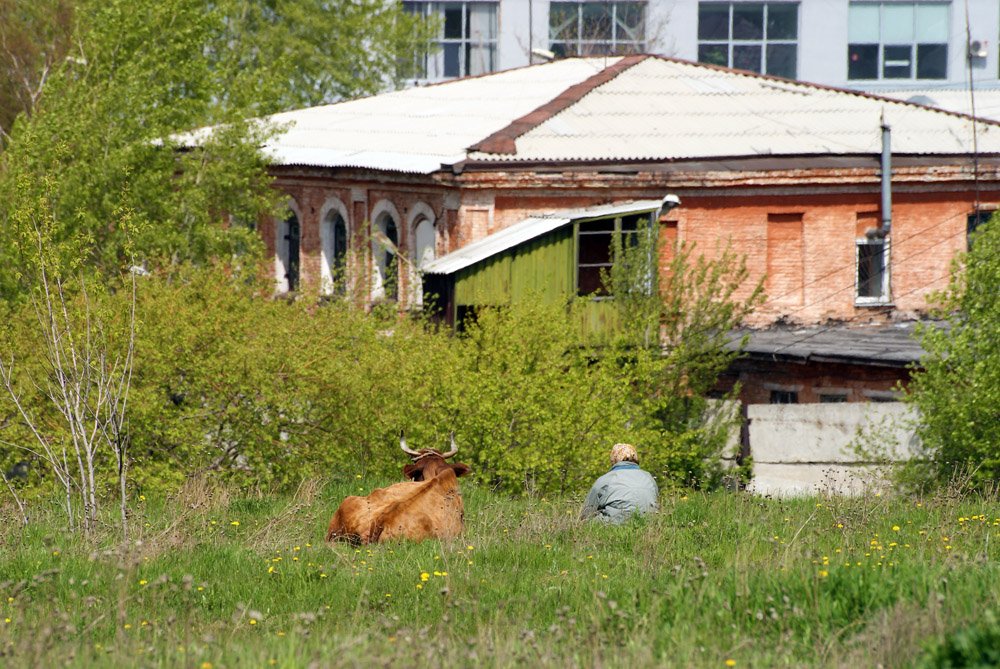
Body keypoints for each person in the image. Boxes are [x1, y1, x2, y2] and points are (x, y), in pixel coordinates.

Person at [580, 443, 659, 524]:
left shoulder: (606, 479)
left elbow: (586, 513)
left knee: (588, 522)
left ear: (613, 459)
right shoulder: (649, 477)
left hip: (612, 526)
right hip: (647, 524)